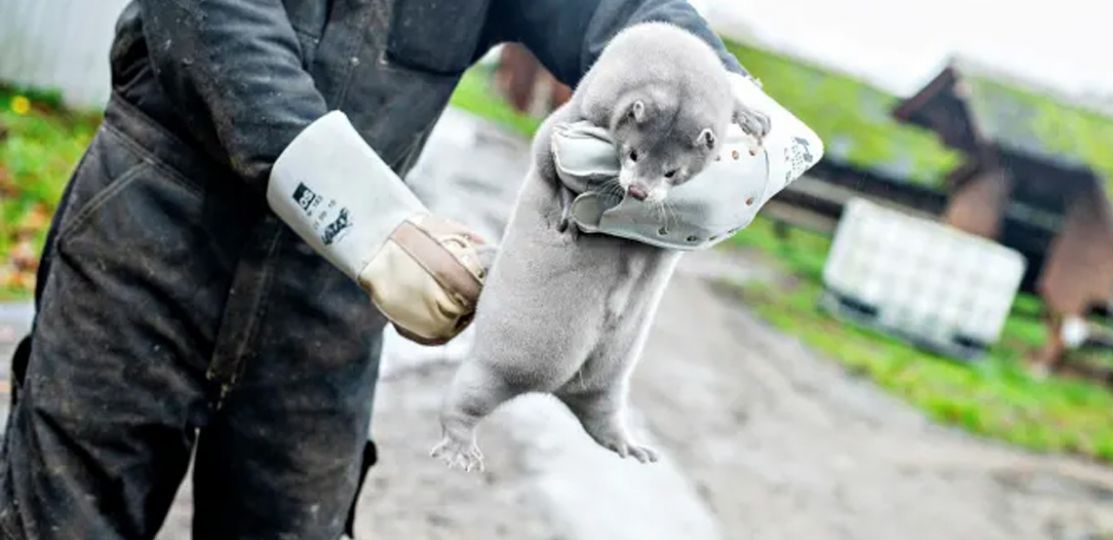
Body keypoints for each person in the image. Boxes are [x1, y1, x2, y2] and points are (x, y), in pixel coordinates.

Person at [0, 0, 761, 537]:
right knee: (63, 519)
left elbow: (619, 12)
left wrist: (723, 94)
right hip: (155, 233)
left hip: (332, 294)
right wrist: (364, 216)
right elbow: (214, 23)